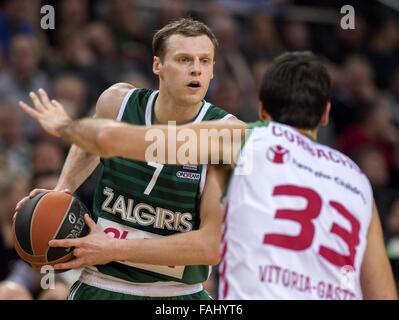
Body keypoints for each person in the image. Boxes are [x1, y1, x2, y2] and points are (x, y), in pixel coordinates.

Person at [19, 52, 397, 300]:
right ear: (326, 114)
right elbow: (381, 292)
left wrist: (65, 126)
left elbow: (118, 137)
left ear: (261, 109)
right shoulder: (356, 180)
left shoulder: (236, 138)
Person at [16, 18, 235, 300]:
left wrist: (114, 248)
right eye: (184, 59)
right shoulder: (117, 103)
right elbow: (89, 145)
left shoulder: (225, 134)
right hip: (102, 285)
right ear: (158, 66)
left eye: (205, 61)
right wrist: (63, 189)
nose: (196, 69)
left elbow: (210, 246)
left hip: (179, 294)